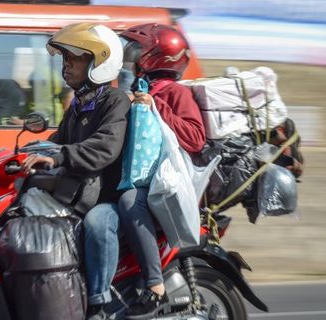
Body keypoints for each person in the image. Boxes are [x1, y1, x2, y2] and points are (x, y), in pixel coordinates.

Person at [21, 23, 130, 320]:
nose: (66, 65)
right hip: (81, 191)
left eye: (75, 58)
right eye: (65, 58)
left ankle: (99, 303)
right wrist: (31, 150)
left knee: (96, 224)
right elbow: (60, 140)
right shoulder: (81, 104)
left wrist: (58, 156)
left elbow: (105, 148)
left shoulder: (115, 101)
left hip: (107, 198)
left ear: (100, 62)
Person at [116, 23, 206, 319]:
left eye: (136, 50)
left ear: (156, 55)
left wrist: (157, 107)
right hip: (139, 174)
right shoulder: (137, 87)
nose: (130, 56)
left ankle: (155, 285)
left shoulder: (175, 92)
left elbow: (195, 138)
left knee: (130, 202)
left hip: (161, 181)